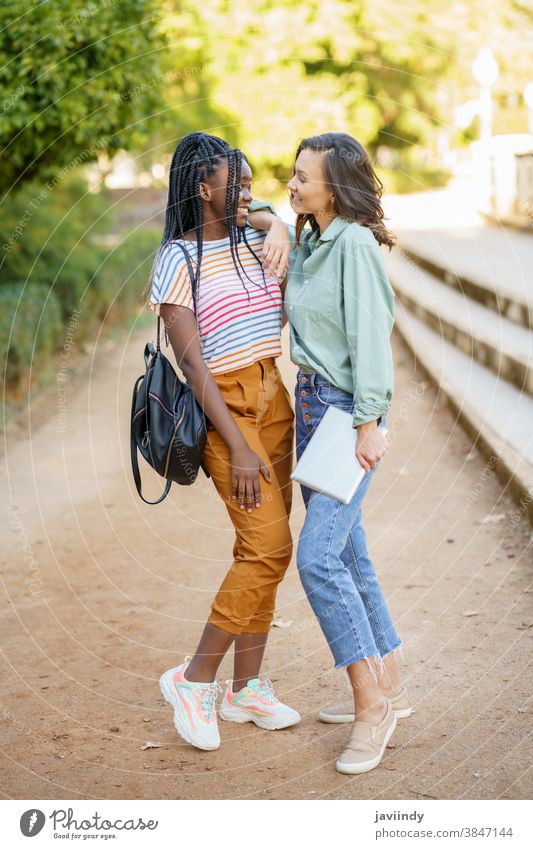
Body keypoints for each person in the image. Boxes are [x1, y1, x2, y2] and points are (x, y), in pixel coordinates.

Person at [247, 132, 413, 774]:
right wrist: (275, 221)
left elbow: (373, 335)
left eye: (302, 178)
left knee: (317, 558)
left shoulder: (355, 245)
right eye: (290, 176)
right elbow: (251, 207)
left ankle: (372, 708)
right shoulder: (313, 237)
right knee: (346, 549)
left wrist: (371, 420)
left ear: (334, 186)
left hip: (346, 412)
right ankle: (392, 682)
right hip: (312, 405)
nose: (292, 185)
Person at [146, 132, 299, 752]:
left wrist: (273, 219)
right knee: (267, 546)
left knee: (266, 549)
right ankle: (195, 678)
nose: (248, 194)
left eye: (250, 182)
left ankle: (247, 689)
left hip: (275, 396)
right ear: (201, 189)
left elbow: (270, 218)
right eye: (234, 184)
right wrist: (236, 445)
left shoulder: (257, 238)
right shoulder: (176, 261)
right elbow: (194, 368)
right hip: (225, 410)